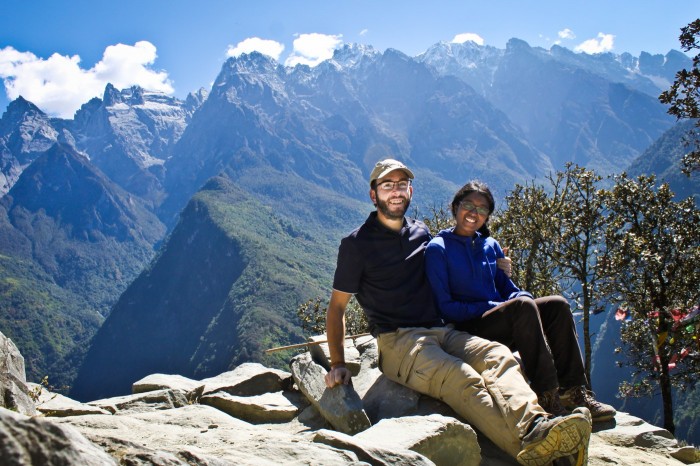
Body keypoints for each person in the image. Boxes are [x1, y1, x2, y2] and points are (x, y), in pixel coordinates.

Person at [325, 159, 592, 465]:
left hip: (442, 330)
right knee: (461, 378)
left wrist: (496, 260)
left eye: (401, 185)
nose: (395, 192)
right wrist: (337, 363)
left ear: (410, 191)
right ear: (374, 195)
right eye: (387, 186)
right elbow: (337, 308)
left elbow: (454, 251)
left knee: (498, 357)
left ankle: (540, 424)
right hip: (399, 341)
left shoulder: (421, 232)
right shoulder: (356, 244)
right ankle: (536, 446)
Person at [424, 180, 616, 422]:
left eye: (482, 209)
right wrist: (498, 306)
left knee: (557, 304)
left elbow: (509, 289)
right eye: (468, 205)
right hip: (466, 328)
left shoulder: (490, 245)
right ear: (455, 207)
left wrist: (523, 297)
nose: (474, 213)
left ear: (488, 216)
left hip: (501, 320)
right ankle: (547, 395)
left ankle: (574, 390)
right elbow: (446, 308)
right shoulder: (438, 249)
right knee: (522, 307)